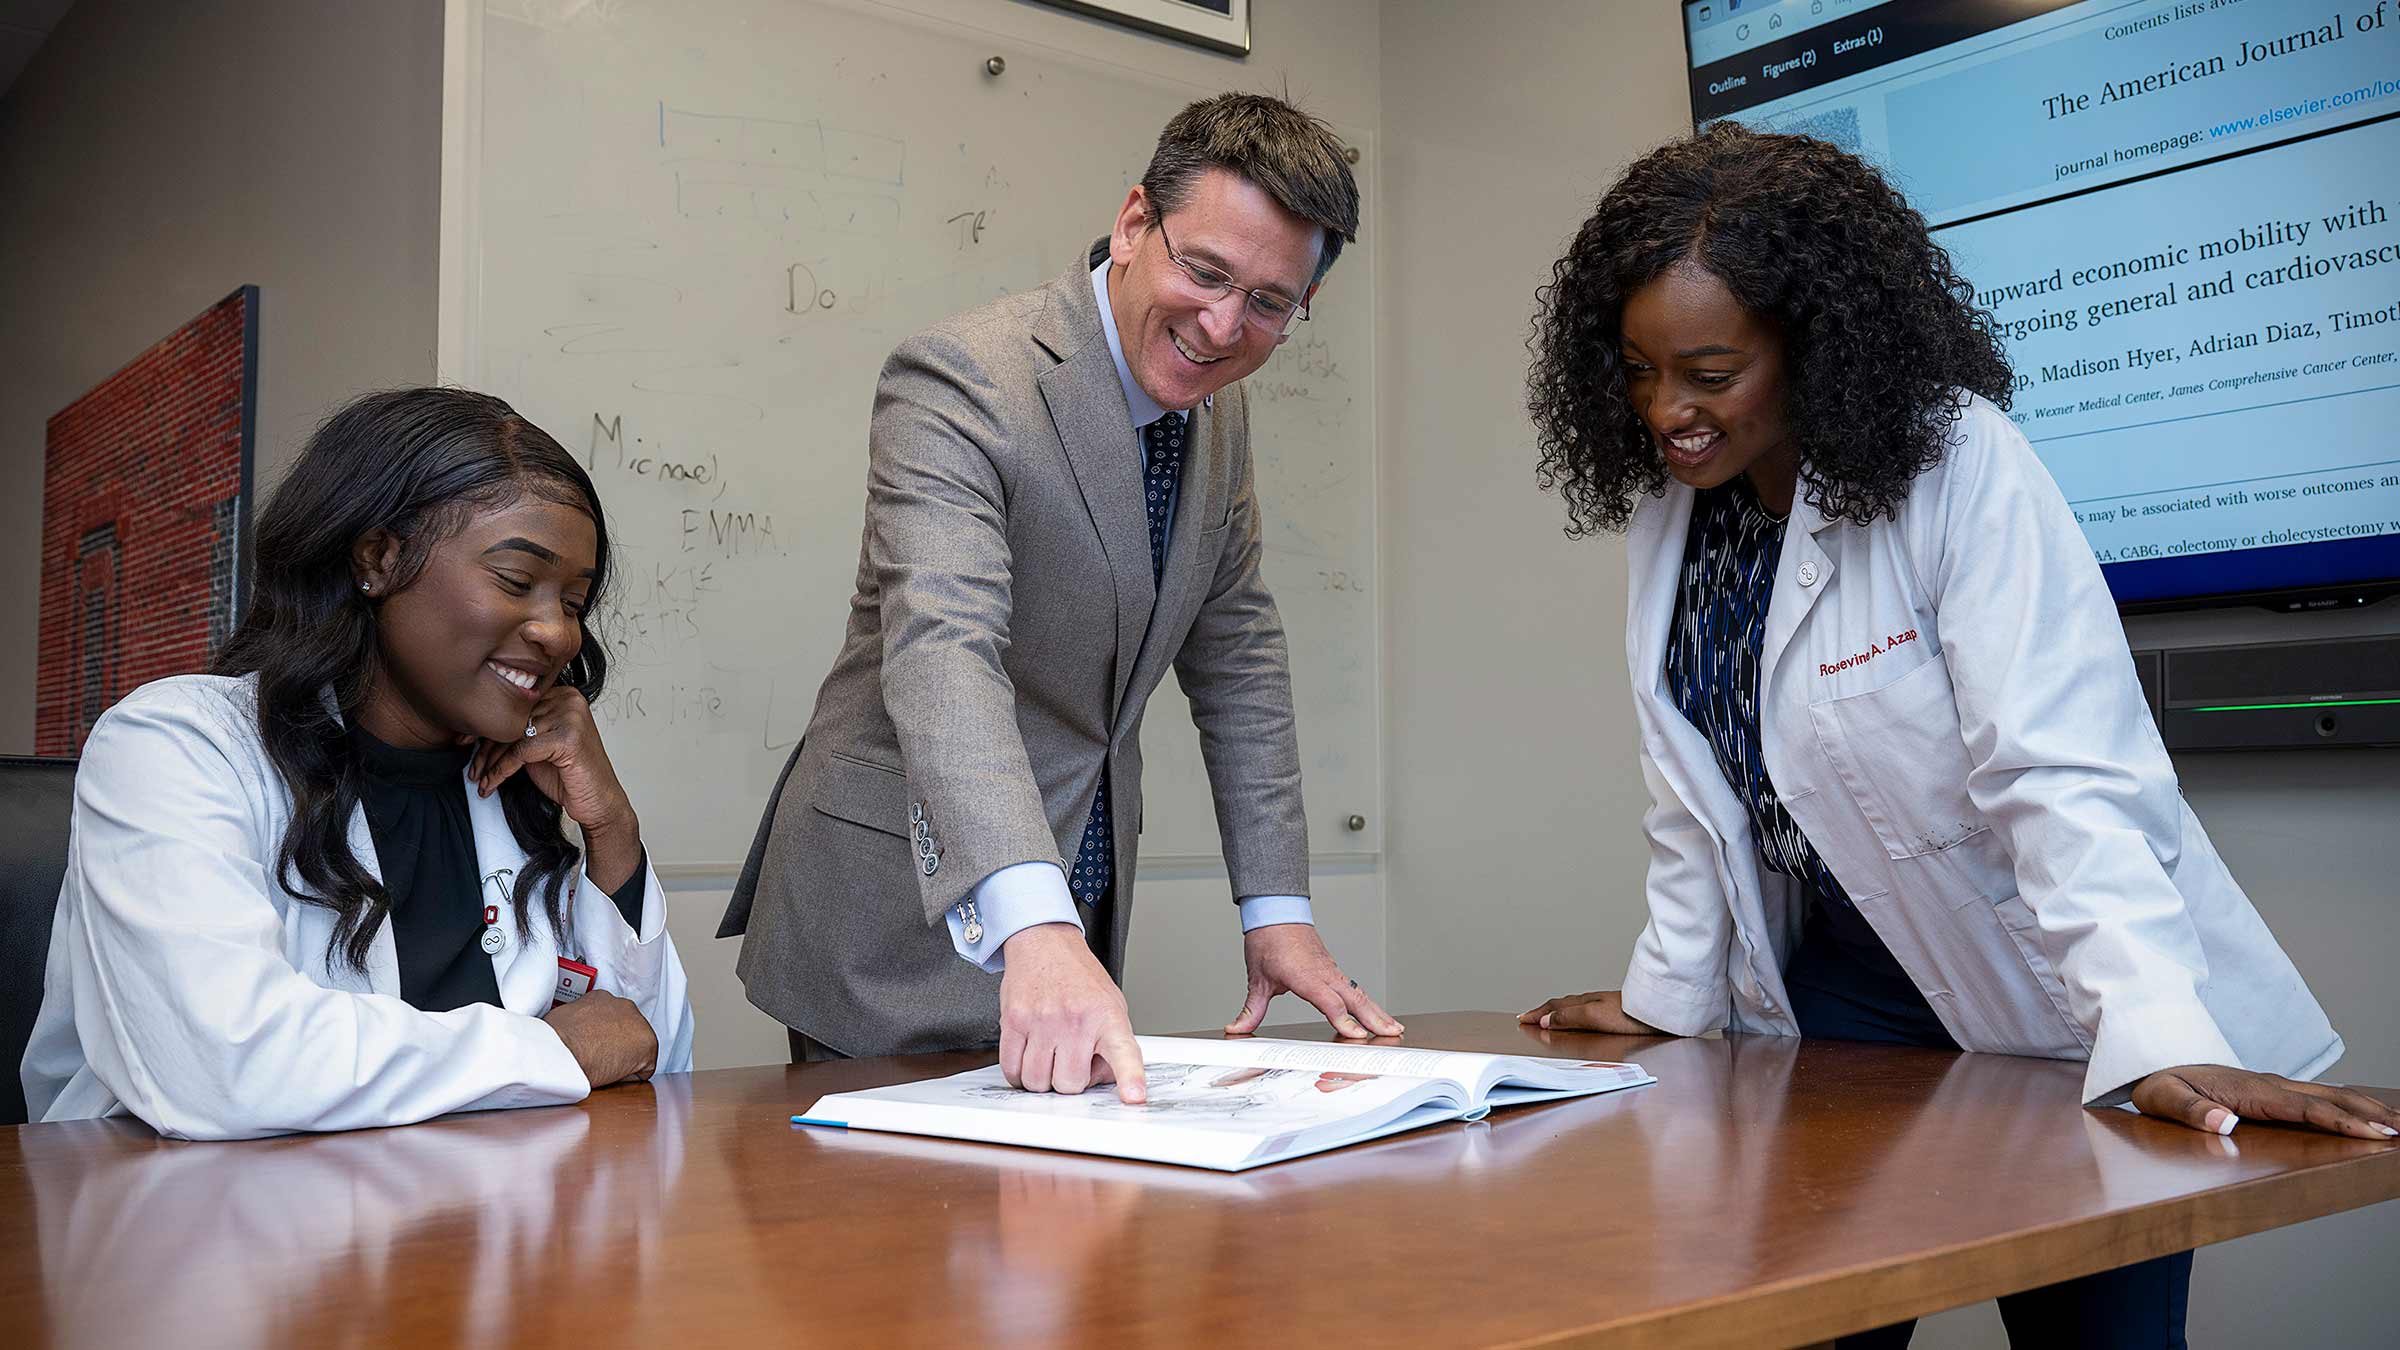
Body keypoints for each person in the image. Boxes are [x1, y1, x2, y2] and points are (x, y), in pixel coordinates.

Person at [1516, 124, 2396, 1347]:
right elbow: (1695, 789)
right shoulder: (1678, 512)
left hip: (2046, 981)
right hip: (1838, 997)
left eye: (1709, 372)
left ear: (1808, 348)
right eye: (1638, 370)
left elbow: (2063, 771)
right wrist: (1672, 989)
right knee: (1809, 1318)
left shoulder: (1959, 464)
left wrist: (2157, 1034)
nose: (1669, 410)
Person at [718, 93, 1399, 1100]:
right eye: (1205, 271)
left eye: (1268, 303)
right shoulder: (964, 378)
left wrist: (1277, 914)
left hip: (1077, 895)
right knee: (879, 1244)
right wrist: (1034, 925)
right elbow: (943, 652)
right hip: (899, 908)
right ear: (1134, 223)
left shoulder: (1222, 413)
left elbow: (1239, 659)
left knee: (1051, 1237)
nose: (1222, 326)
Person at [21, 388, 694, 1139]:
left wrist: (612, 831)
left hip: (469, 1221)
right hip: (198, 1224)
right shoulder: (176, 746)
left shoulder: (517, 778)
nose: (557, 633)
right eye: (514, 581)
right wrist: (550, 1049)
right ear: (378, 559)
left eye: (573, 601)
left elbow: (649, 1057)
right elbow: (230, 1068)